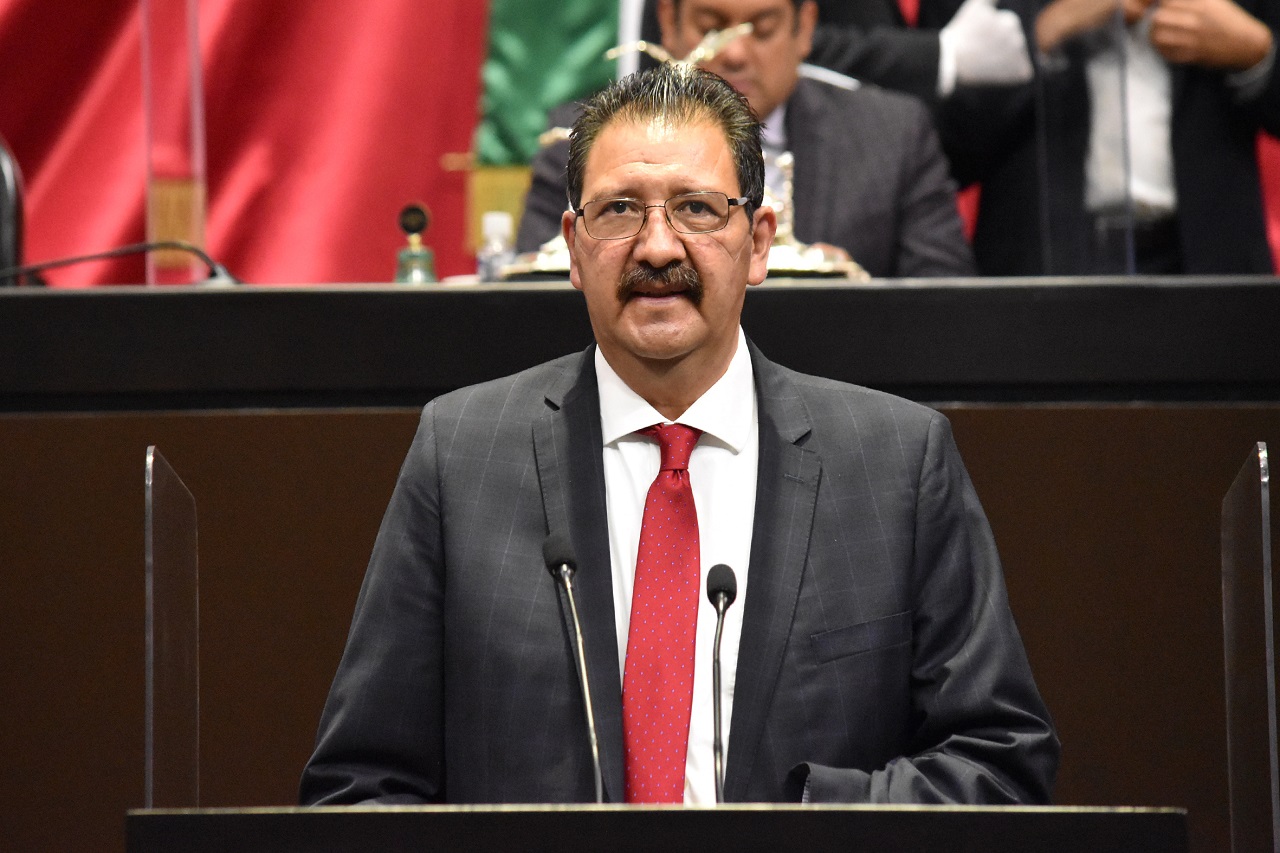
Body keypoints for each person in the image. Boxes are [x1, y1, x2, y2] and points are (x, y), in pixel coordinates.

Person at [300, 64, 1058, 806]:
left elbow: (999, 763)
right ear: (572, 246)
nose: (657, 248)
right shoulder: (462, 454)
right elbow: (359, 788)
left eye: (696, 208)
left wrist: (803, 825)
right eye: (619, 210)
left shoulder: (895, 463)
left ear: (759, 242)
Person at [516, 0, 976, 279]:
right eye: (711, 27)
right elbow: (534, 298)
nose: (734, 53)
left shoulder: (892, 138)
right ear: (668, 22)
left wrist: (848, 292)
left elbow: (947, 308)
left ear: (804, 28)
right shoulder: (585, 140)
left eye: (762, 28)